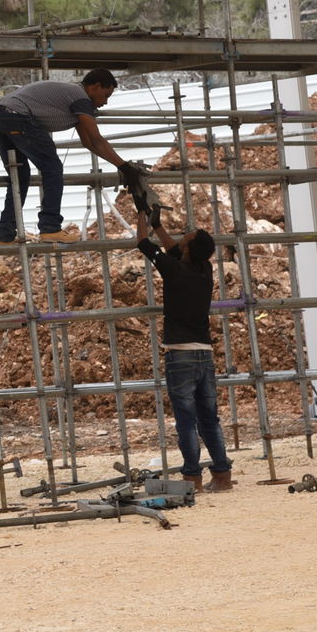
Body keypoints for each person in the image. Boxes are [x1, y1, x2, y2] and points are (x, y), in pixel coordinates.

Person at [136, 210, 234, 493]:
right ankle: (222, 475)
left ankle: (193, 478)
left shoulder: (174, 269)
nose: (179, 240)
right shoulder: (205, 270)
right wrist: (159, 225)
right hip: (204, 353)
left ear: (188, 249)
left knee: (186, 421)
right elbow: (172, 250)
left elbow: (143, 243)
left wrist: (142, 215)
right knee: (209, 418)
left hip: (180, 355)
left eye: (185, 239)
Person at [0, 69, 140, 244]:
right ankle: (50, 228)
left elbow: (89, 143)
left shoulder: (73, 97)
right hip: (17, 116)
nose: (105, 102)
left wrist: (121, 166)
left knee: (19, 175)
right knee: (51, 167)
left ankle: (4, 235)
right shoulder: (81, 98)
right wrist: (125, 167)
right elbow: (97, 140)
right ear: (95, 87)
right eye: (106, 95)